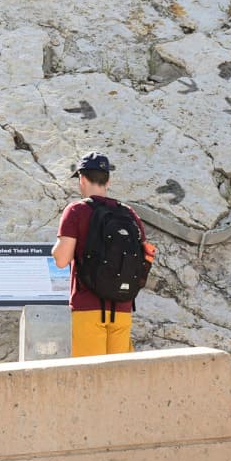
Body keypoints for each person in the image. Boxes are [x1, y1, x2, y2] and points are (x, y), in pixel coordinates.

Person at [51, 151, 151, 357]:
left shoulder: (76, 211)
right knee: (118, 376)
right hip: (122, 307)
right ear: (108, 181)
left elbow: (61, 260)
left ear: (82, 178)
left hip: (88, 308)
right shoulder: (128, 213)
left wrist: (55, 248)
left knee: (90, 377)